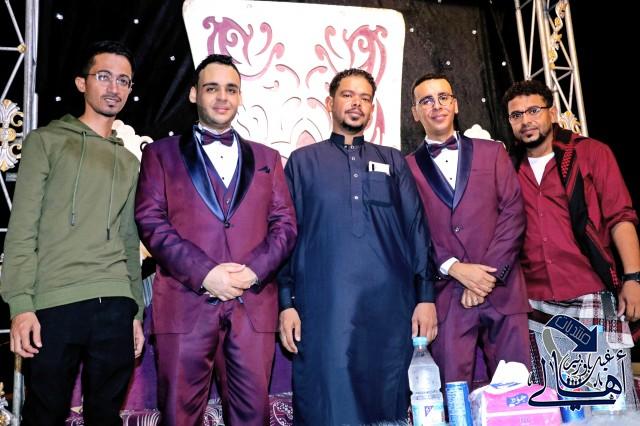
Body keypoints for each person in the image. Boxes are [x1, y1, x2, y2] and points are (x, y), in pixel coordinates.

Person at [135, 53, 296, 426]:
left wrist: (252, 272)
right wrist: (206, 274)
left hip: (252, 308)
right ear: (194, 94)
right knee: (179, 417)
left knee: (252, 417)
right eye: (212, 88)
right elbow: (150, 221)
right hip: (184, 306)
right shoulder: (160, 155)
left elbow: (285, 225)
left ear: (239, 96)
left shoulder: (269, 158)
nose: (222, 97)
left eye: (231, 89)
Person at [278, 68, 436, 425]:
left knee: (385, 400)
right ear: (330, 103)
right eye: (348, 95)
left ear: (372, 109)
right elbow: (285, 237)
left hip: (390, 310)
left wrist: (425, 297)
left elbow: (416, 229)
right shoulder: (303, 162)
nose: (357, 104)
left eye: (365, 98)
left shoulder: (393, 160)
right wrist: (286, 303)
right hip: (324, 308)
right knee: (329, 400)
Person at [0, 40, 144, 425]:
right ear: (82, 83)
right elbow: (22, 229)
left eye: (124, 81)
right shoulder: (45, 142)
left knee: (105, 416)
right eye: (104, 76)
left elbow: (129, 240)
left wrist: (135, 311)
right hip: (54, 302)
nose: (114, 88)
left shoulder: (129, 161)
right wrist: (21, 305)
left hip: (115, 303)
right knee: (44, 415)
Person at [503, 79, 640, 405]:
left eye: (533, 111)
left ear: (552, 113)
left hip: (590, 290)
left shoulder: (590, 153)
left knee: (610, 402)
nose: (526, 121)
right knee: (553, 403)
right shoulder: (507, 166)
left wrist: (634, 278)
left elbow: (620, 217)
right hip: (534, 303)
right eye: (516, 115)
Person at [405, 73, 531, 390]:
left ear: (456, 104)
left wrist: (486, 276)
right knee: (453, 393)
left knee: (516, 392)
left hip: (502, 291)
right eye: (426, 101)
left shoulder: (493, 152)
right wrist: (454, 267)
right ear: (415, 113)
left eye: (443, 97)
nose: (437, 106)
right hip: (447, 295)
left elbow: (513, 213)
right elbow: (410, 229)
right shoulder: (405, 168)